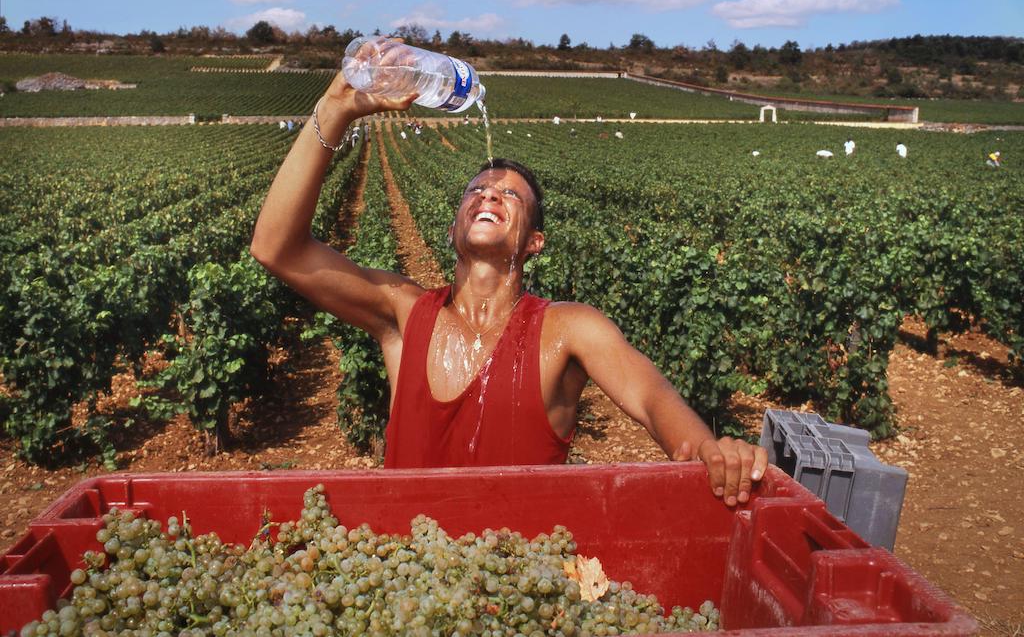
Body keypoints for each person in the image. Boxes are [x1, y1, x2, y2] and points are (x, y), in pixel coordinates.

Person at [250, 72, 768, 506]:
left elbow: (653, 398)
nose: (488, 193)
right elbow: (277, 248)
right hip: (405, 570)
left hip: (517, 579)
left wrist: (707, 449)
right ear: (452, 229)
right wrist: (335, 109)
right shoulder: (403, 313)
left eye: (509, 195)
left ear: (535, 241)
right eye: (476, 190)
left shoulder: (568, 329)